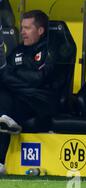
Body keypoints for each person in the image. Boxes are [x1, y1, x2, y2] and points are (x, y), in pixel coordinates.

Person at [0, 10, 58, 175]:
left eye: (27, 28)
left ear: (40, 31)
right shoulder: (17, 51)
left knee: (6, 101)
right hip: (19, 97)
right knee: (3, 107)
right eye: (22, 28)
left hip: (40, 100)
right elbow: (5, 74)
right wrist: (18, 77)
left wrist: (15, 75)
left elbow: (38, 79)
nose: (23, 32)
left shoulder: (49, 51)